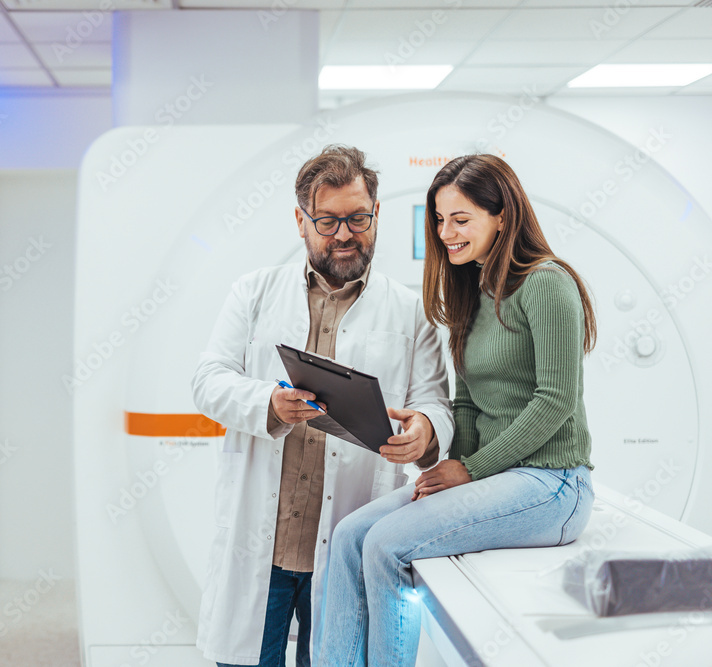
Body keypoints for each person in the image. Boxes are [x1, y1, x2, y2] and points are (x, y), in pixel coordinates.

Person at [315, 153, 597, 667]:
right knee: (350, 535)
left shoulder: (547, 283)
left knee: (385, 546)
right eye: (440, 220)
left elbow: (555, 402)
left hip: (553, 484)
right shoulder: (474, 290)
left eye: (461, 219)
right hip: (498, 478)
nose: (446, 233)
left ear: (503, 216)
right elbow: (465, 401)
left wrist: (468, 469)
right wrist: (444, 470)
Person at [192, 145, 455, 667]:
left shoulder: (412, 311)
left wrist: (425, 429)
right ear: (300, 221)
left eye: (357, 219)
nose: (343, 235)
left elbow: (436, 403)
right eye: (328, 220)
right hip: (261, 547)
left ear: (376, 215)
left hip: (346, 538)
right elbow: (208, 380)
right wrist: (269, 401)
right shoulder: (253, 293)